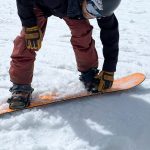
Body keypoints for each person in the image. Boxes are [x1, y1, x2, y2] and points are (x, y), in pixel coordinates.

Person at [7, 0, 121, 109]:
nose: (90, 15)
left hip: (72, 8)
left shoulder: (103, 7)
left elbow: (110, 36)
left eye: (97, 15)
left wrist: (109, 69)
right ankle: (20, 88)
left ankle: (89, 75)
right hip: (38, 4)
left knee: (83, 34)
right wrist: (29, 25)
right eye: (90, 8)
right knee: (28, 41)